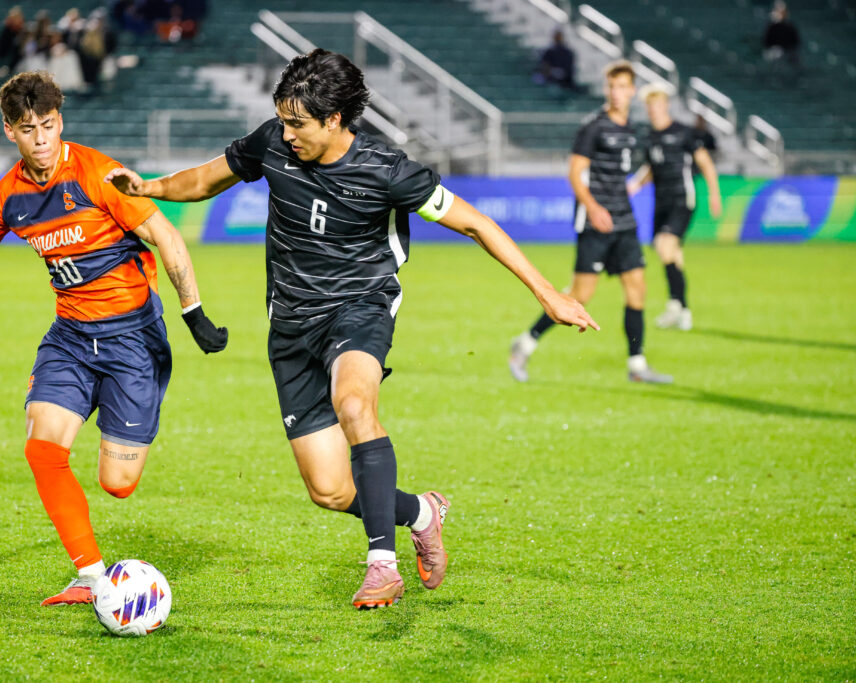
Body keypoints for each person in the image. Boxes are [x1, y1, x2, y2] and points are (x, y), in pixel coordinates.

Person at [104, 49, 598, 609]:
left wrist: (548, 293)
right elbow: (204, 179)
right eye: (283, 120)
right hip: (290, 325)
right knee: (331, 490)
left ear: (334, 119)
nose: (287, 134)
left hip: (359, 306)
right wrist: (148, 188)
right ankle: (420, 512)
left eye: (298, 124)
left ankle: (381, 566)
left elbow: (477, 223)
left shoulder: (388, 171)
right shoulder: (271, 142)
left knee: (355, 404)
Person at [0, 71, 229, 606]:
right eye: (28, 129)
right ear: (10, 130)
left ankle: (124, 408)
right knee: (42, 449)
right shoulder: (9, 196)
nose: (41, 139)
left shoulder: (99, 175)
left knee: (117, 485)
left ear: (61, 122)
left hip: (133, 338)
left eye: (49, 125)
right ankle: (91, 578)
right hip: (71, 339)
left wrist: (192, 311)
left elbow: (164, 234)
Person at [510, 60, 671, 384]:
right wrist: (594, 208)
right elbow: (575, 173)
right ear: (606, 89)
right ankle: (525, 344)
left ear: (632, 91)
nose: (616, 92)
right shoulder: (593, 127)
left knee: (637, 290)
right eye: (612, 86)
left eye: (623, 86)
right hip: (595, 222)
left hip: (624, 220)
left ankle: (637, 366)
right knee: (581, 295)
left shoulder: (631, 130)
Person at [627, 85, 722, 331]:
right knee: (672, 255)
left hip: (682, 198)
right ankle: (683, 311)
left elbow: (705, 163)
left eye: (657, 105)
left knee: (664, 245)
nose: (654, 110)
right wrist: (635, 185)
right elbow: (650, 167)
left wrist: (714, 194)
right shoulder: (649, 137)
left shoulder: (685, 133)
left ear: (666, 105)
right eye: (650, 106)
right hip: (661, 202)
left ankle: (674, 306)